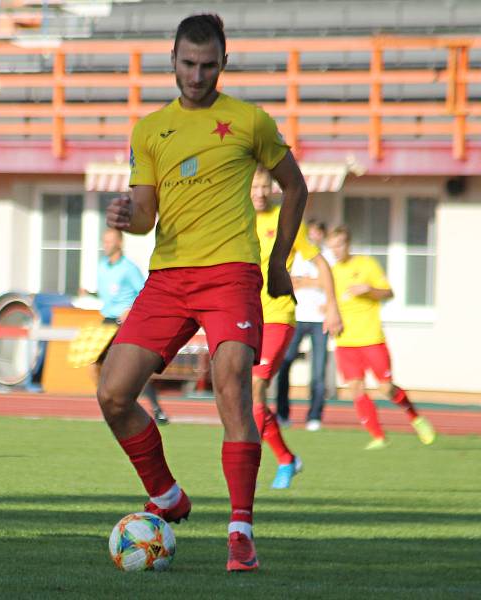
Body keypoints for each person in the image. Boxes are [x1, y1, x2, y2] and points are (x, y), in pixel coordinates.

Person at [99, 14, 309, 572]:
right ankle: (167, 497)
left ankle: (240, 532)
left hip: (232, 274)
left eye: (208, 65)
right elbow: (145, 217)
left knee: (232, 384)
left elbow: (295, 185)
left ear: (224, 62)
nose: (197, 75)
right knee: (112, 394)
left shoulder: (249, 121)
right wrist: (126, 216)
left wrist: (279, 262)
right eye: (188, 64)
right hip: (168, 278)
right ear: (172, 59)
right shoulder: (149, 130)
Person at [250, 169, 342, 488]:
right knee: (244, 398)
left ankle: (274, 460)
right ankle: (287, 460)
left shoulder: (286, 219)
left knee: (255, 385)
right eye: (254, 187)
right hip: (246, 317)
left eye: (264, 186)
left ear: (272, 190)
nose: (259, 192)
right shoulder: (235, 220)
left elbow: (322, 264)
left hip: (278, 314)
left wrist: (332, 306)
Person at [326, 225, 435, 449]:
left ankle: (416, 418)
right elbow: (330, 300)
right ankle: (378, 436)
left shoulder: (366, 265)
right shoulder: (331, 272)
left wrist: (369, 290)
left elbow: (389, 293)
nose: (336, 250)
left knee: (386, 388)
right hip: (345, 341)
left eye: (340, 244)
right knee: (355, 388)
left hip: (371, 338)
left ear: (348, 244)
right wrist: (327, 313)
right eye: (332, 246)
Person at [96, 227, 169, 424]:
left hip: (123, 323)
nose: (106, 245)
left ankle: (156, 408)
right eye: (104, 241)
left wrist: (129, 309)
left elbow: (143, 291)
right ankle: (110, 406)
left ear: (119, 243)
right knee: (95, 364)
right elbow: (108, 293)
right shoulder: (102, 266)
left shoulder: (128, 268)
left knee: (131, 369)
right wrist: (90, 293)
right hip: (106, 321)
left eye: (110, 241)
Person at [275, 220, 333, 431]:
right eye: (312, 233)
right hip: (297, 316)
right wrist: (315, 281)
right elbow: (289, 280)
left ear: (323, 235)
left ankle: (314, 417)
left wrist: (305, 281)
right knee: (284, 364)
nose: (314, 236)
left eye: (319, 233)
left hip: (320, 320)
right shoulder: (297, 254)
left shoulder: (327, 256)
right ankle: (282, 414)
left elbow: (332, 281)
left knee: (318, 370)